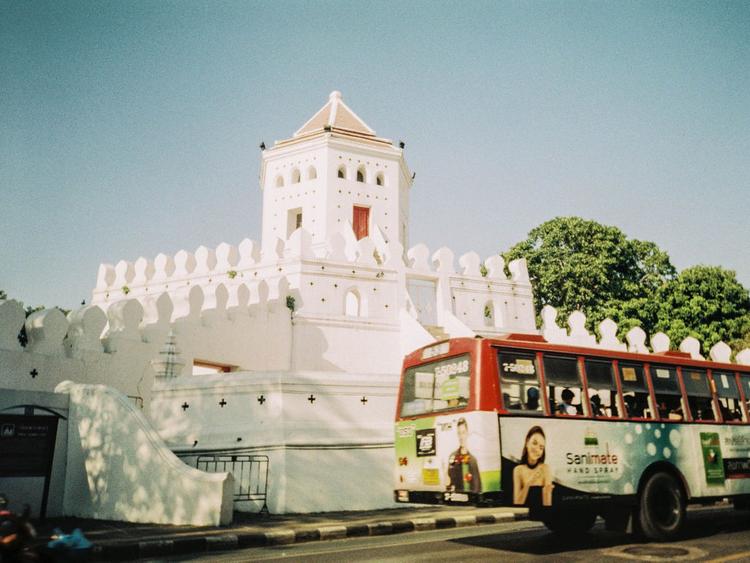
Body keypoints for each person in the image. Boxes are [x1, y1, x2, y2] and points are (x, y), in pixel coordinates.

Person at [513, 426, 554, 506]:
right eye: (534, 443)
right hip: (524, 516)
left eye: (541, 447)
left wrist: (547, 493)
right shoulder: (518, 470)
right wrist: (529, 483)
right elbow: (517, 503)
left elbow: (547, 505)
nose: (537, 449)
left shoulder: (545, 469)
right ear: (527, 442)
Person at [446, 418, 482, 493]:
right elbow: (449, 484)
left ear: (467, 433)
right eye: (459, 433)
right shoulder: (452, 457)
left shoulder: (473, 460)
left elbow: (478, 487)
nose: (461, 437)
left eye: (463, 432)